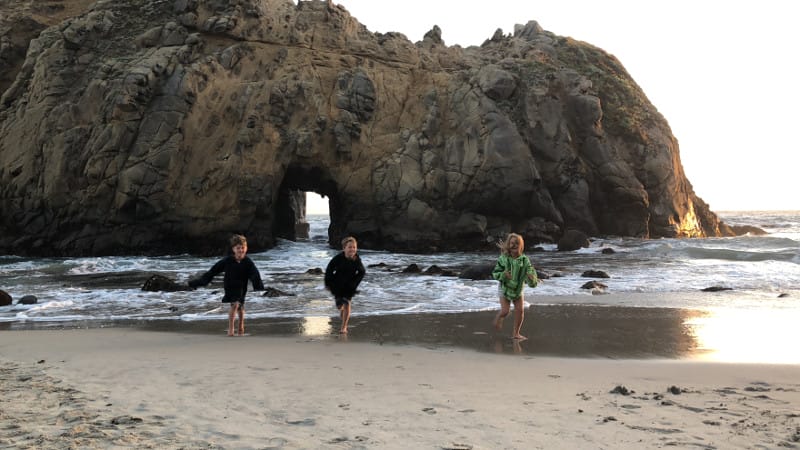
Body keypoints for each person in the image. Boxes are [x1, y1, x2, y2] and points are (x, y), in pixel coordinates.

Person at [189, 234, 264, 336]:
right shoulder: (227, 260)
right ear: (233, 249)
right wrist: (201, 281)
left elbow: (254, 274)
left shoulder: (248, 261)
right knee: (235, 305)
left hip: (242, 286)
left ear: (246, 248)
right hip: (230, 285)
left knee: (240, 306)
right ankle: (231, 329)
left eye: (243, 248)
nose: (241, 250)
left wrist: (258, 285)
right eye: (238, 248)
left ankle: (241, 325)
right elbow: (213, 271)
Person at [491, 233, 538, 340]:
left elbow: (531, 273)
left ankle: (516, 333)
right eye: (512, 243)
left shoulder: (524, 260)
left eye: (517, 243)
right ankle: (499, 317)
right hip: (504, 288)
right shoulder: (503, 258)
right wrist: (503, 275)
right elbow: (495, 273)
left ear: (521, 246)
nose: (514, 245)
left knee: (520, 310)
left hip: (518, 289)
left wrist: (531, 278)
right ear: (509, 244)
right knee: (505, 311)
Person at [324, 236, 365, 334]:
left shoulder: (357, 260)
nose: (352, 249)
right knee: (340, 306)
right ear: (344, 248)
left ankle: (344, 327)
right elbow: (329, 270)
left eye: (354, 247)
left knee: (347, 302)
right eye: (350, 247)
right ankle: (341, 307)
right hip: (337, 284)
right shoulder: (338, 258)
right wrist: (328, 283)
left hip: (350, 285)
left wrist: (354, 284)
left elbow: (362, 272)